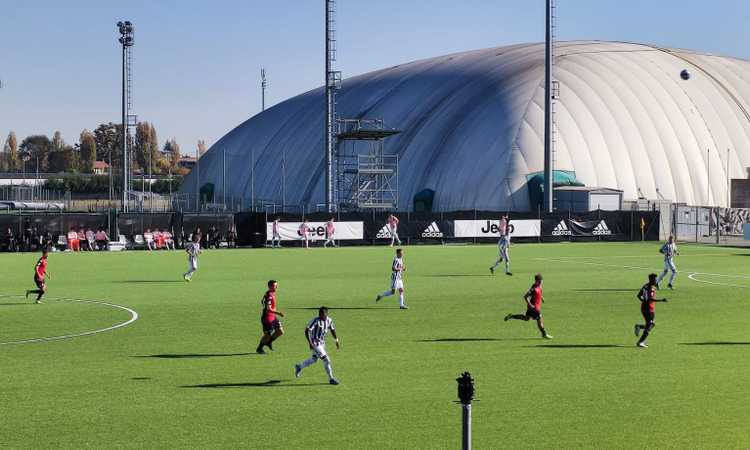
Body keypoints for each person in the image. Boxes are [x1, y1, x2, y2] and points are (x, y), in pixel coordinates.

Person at [294, 306, 340, 385]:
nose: (320, 315)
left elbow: (332, 329)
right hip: (315, 343)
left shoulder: (329, 320)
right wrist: (310, 343)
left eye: (322, 314)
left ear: (326, 314)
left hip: (322, 343)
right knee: (326, 360)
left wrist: (336, 340)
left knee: (314, 359)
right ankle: (331, 379)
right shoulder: (315, 320)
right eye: (319, 313)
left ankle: (299, 366)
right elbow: (307, 331)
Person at [504, 274, 552, 339]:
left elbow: (539, 293)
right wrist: (530, 305)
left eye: (541, 281)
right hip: (534, 307)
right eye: (540, 281)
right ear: (536, 281)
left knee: (526, 318)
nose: (541, 282)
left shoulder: (538, 286)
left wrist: (541, 298)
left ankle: (511, 316)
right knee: (539, 319)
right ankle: (544, 334)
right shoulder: (533, 289)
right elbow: (525, 296)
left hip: (534, 307)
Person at [635, 273, 669, 348]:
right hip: (648, 309)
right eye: (655, 279)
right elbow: (650, 298)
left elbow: (638, 295)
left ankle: (639, 327)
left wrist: (643, 301)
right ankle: (640, 342)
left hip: (645, 308)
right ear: (651, 279)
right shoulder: (650, 287)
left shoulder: (645, 285)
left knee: (652, 324)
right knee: (649, 325)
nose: (656, 280)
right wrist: (661, 300)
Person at [256, 280, 285, 354]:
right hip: (267, 318)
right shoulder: (269, 295)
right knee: (267, 335)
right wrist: (278, 313)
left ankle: (269, 342)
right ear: (270, 286)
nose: (276, 287)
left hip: (273, 317)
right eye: (275, 286)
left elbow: (262, 301)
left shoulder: (271, 293)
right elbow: (269, 309)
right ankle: (259, 348)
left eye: (276, 285)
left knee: (280, 331)